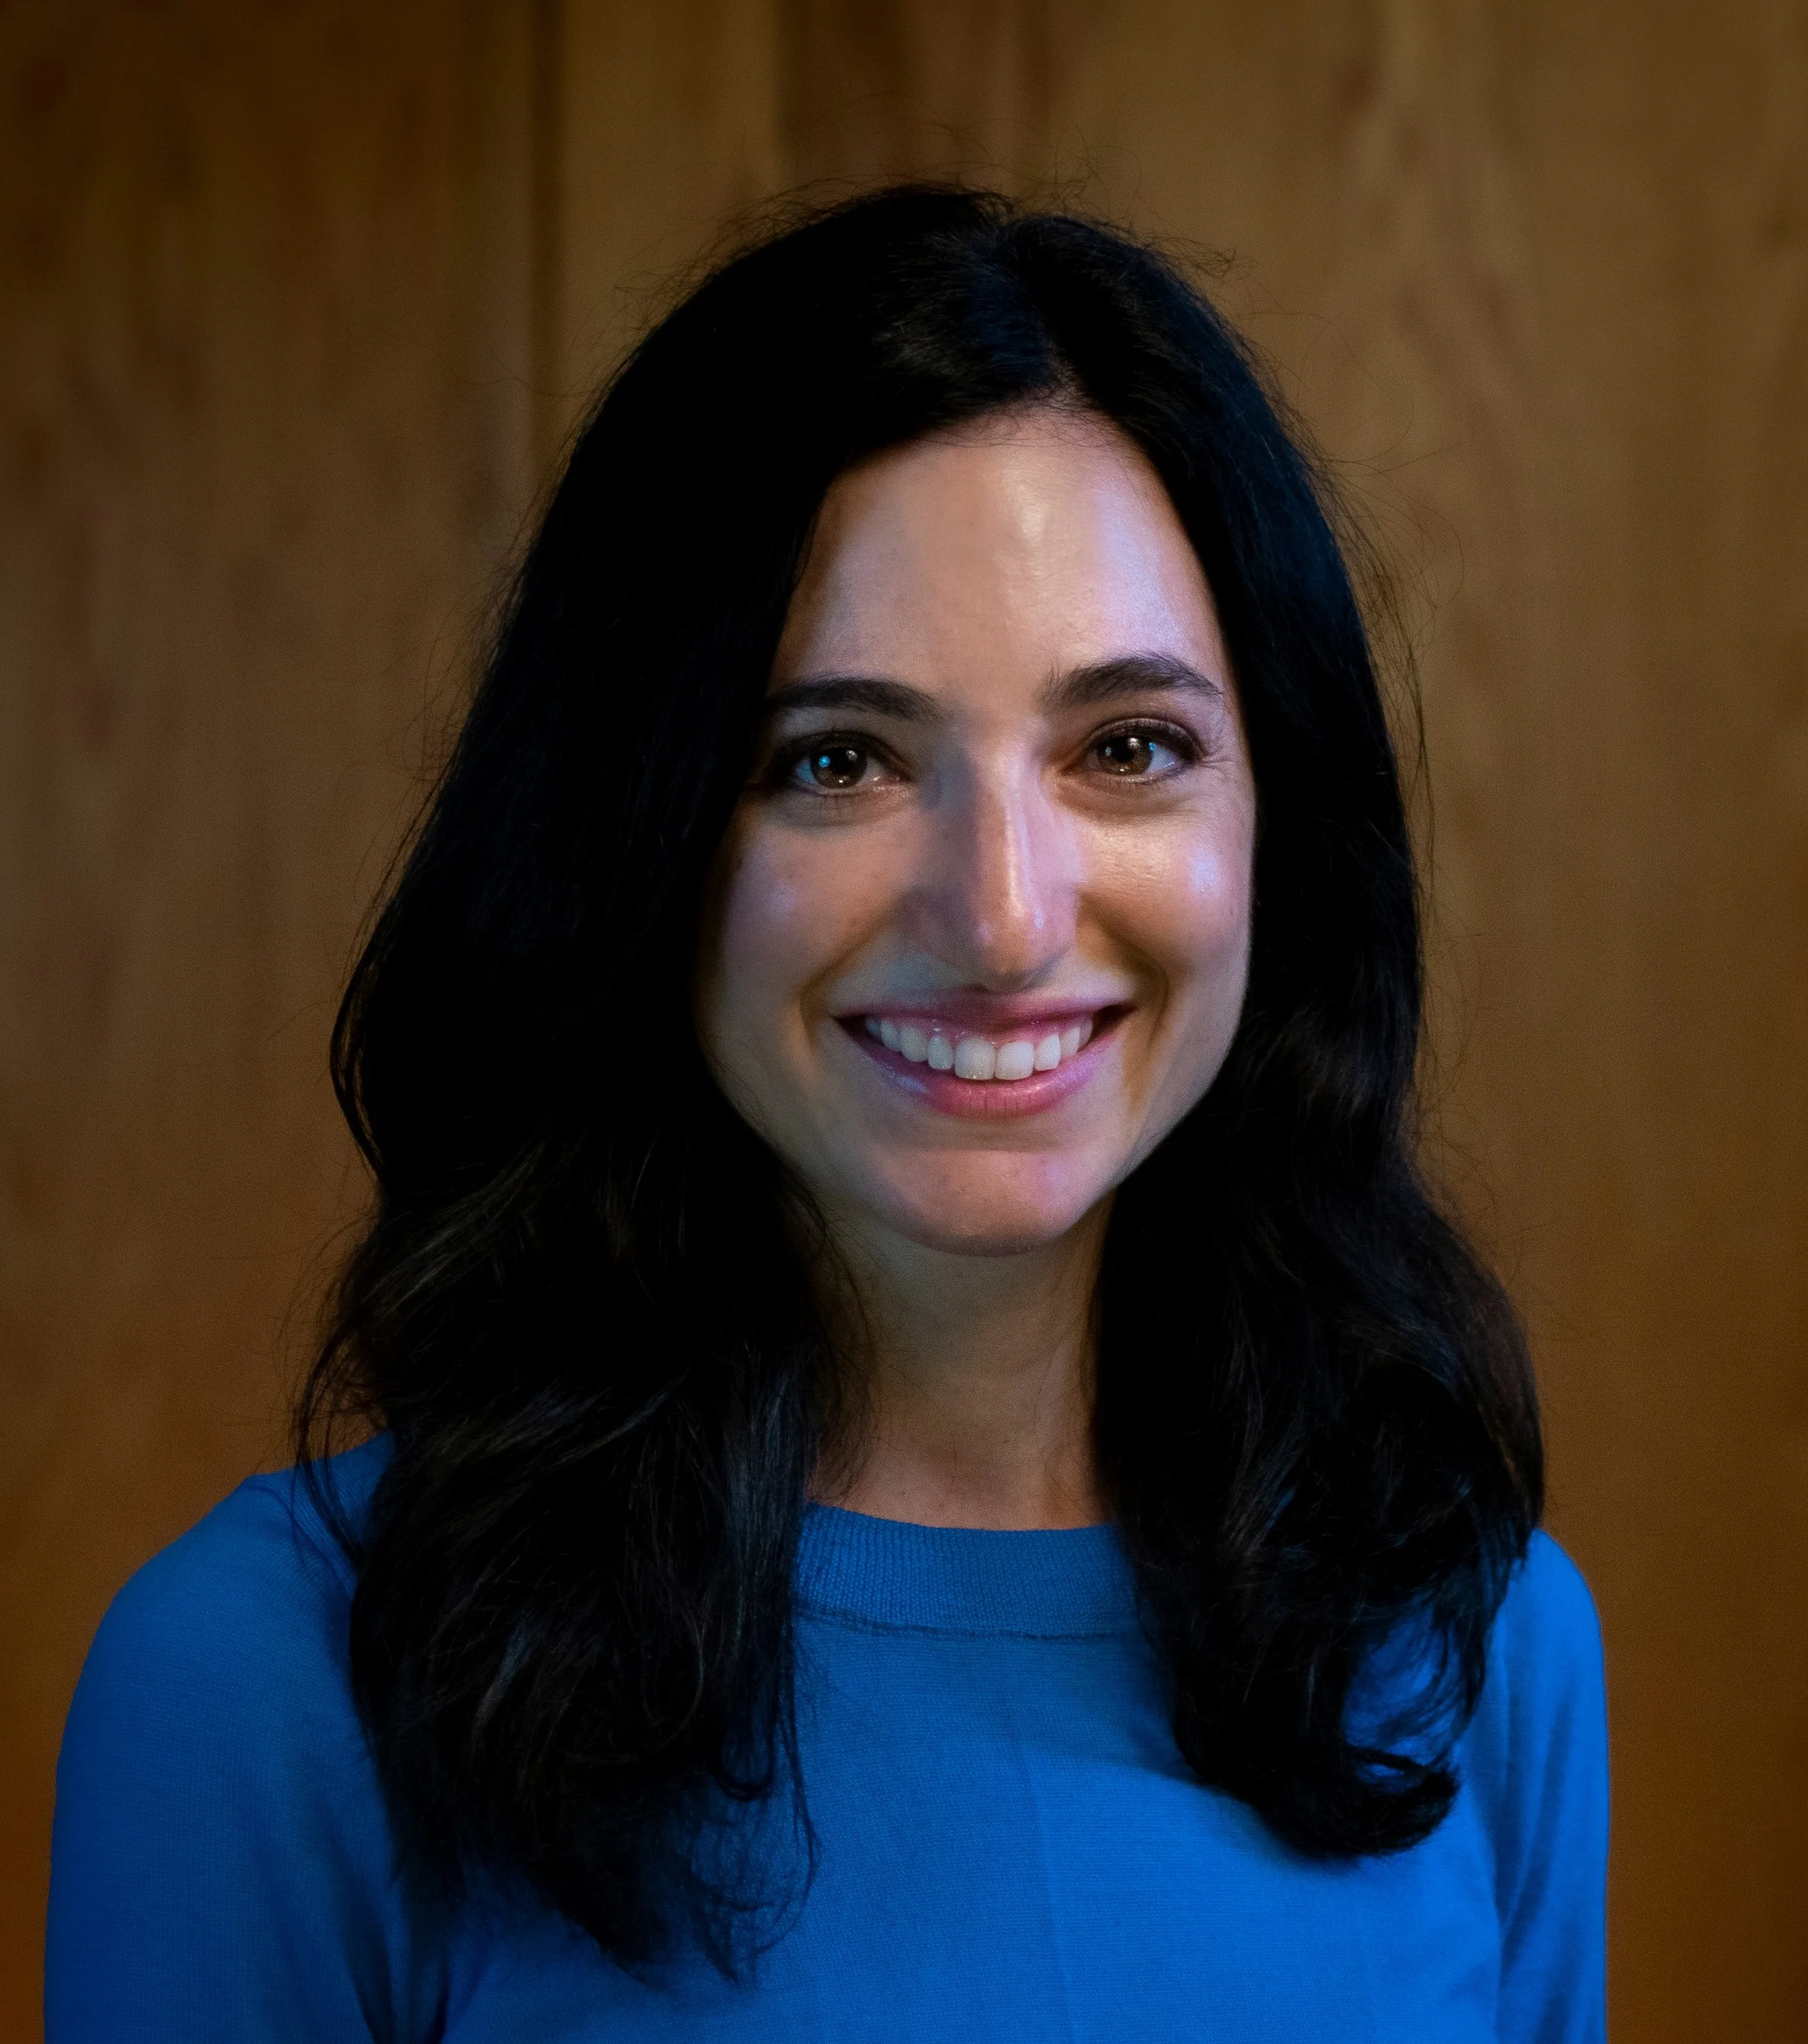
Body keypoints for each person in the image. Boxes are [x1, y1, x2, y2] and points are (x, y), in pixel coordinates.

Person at [46, 186, 1607, 2042]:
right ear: (632, 842)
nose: (1006, 916)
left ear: (1277, 828)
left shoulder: (1476, 1642)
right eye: (836, 760)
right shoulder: (267, 1688)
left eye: (1126, 748)